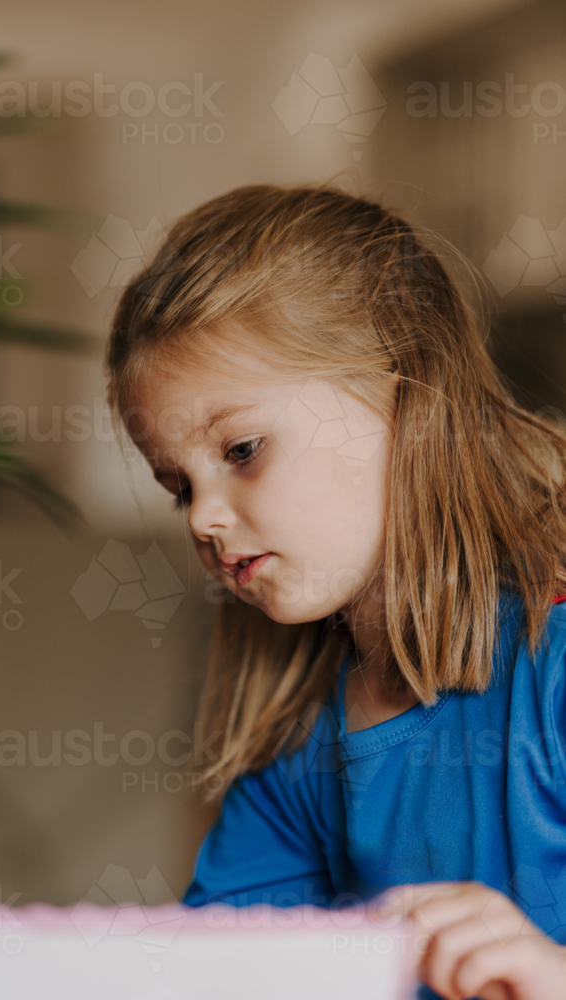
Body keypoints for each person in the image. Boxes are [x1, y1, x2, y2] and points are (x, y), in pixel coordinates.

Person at [105, 184, 566, 1000]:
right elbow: (215, 981)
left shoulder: (549, 672)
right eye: (179, 485)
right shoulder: (296, 755)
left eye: (241, 449)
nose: (205, 518)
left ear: (401, 387)